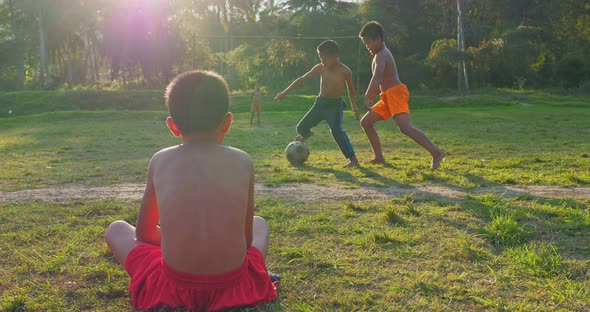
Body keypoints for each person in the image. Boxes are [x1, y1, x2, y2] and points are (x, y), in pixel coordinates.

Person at [104, 70, 278, 311]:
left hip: (174, 288)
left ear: (173, 126)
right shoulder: (243, 161)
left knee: (117, 229)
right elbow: (246, 240)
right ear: (227, 122)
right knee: (260, 224)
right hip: (233, 286)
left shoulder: (160, 160)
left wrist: (180, 239)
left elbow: (143, 234)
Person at [358, 21, 445, 169]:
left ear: (378, 39)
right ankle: (379, 157)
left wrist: (368, 96)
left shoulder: (382, 55)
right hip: (386, 97)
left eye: (368, 43)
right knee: (365, 123)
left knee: (405, 127)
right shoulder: (379, 55)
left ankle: (436, 152)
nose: (367, 46)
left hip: (395, 93)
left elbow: (377, 76)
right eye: (365, 43)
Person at [274, 40, 360, 168]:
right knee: (301, 128)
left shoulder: (345, 71)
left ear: (334, 55)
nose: (322, 61)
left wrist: (354, 105)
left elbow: (351, 90)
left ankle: (353, 160)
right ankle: (307, 134)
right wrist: (284, 93)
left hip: (335, 106)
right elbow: (302, 80)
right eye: (320, 58)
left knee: (336, 131)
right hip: (320, 104)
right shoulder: (320, 67)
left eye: (324, 58)